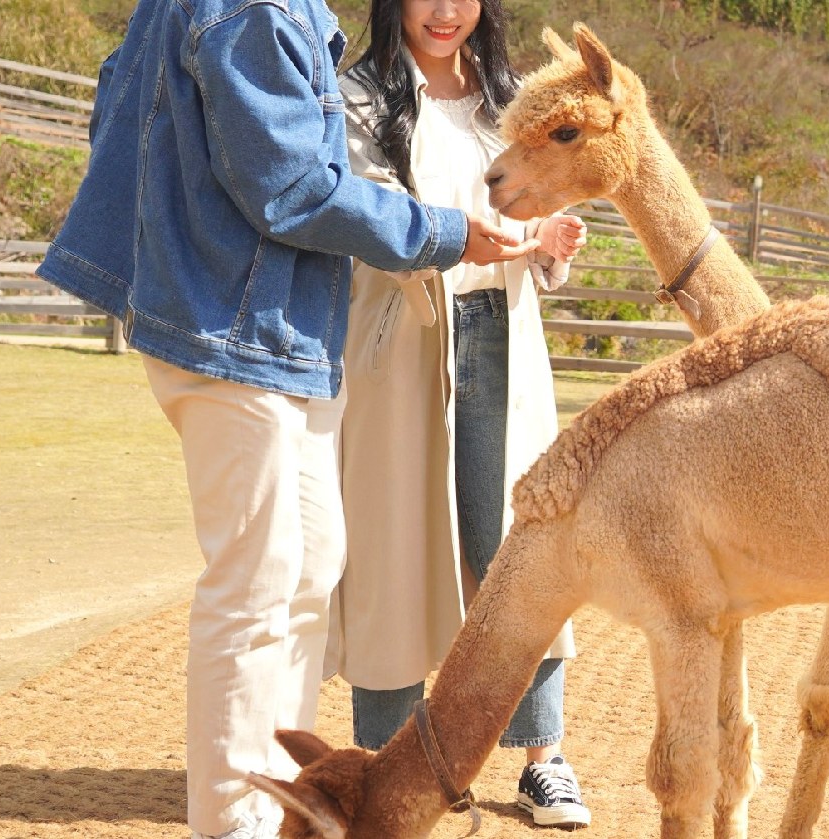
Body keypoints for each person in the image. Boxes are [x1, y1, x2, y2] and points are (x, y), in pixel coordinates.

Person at [36, 0, 539, 834]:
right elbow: (297, 191)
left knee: (305, 571)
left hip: (278, 328)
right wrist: (450, 232)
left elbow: (118, 103)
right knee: (257, 584)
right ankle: (236, 822)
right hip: (236, 324)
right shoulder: (251, 13)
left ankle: (287, 806)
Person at [324, 0, 593, 829]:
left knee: (517, 552)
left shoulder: (510, 98)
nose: (445, 12)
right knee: (393, 550)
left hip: (502, 334)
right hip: (402, 343)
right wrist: (456, 238)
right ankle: (390, 762)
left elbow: (528, 203)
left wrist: (547, 243)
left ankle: (542, 757)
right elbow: (361, 218)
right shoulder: (358, 95)